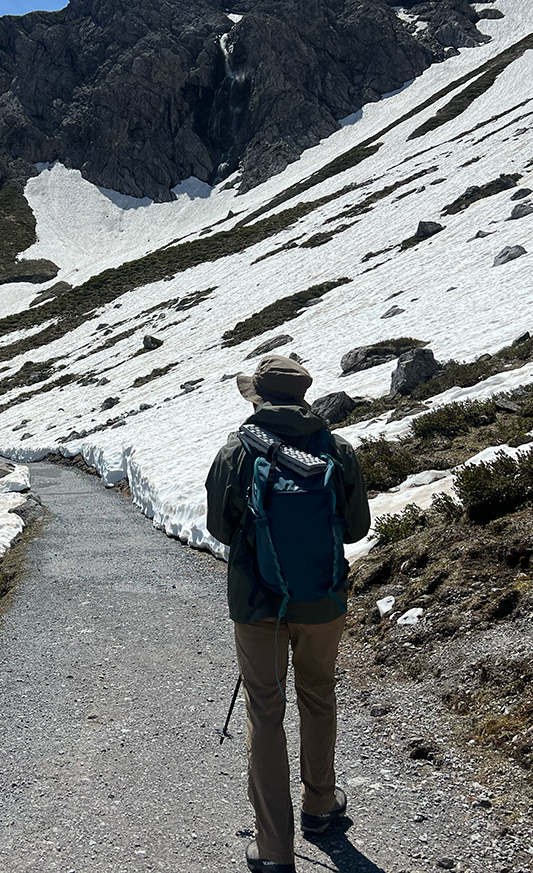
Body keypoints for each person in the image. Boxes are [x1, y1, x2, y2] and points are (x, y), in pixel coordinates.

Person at [205, 355, 370, 873]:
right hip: (322, 600)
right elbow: (356, 530)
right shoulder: (337, 449)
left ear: (256, 396)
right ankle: (320, 807)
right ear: (303, 396)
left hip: (258, 605)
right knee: (318, 696)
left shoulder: (237, 450)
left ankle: (275, 849)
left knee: (265, 711)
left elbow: (220, 528)